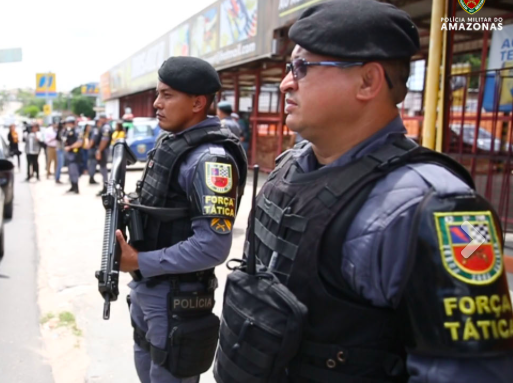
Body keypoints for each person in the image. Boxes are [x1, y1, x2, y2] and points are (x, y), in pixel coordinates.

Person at [214, 1, 513, 382]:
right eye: (290, 68)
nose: (287, 82)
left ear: (368, 82)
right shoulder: (295, 165)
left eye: (303, 67)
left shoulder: (433, 205)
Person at [113, 56, 247, 383]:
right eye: (158, 94)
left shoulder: (210, 160)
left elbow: (212, 247)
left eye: (167, 95)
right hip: (152, 291)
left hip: (177, 298)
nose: (157, 103)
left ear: (198, 102)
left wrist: (139, 260)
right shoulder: (172, 143)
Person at [93, 113, 112, 196]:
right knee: (102, 169)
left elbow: (104, 140)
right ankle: (104, 188)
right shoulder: (103, 127)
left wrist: (99, 151)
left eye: (100, 118)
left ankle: (105, 188)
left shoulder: (106, 127)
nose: (99, 120)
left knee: (103, 169)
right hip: (102, 150)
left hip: (103, 150)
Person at [63, 116, 83, 194]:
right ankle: (72, 186)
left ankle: (76, 188)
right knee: (70, 171)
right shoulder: (68, 131)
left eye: (69, 123)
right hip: (69, 154)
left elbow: (79, 143)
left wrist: (70, 147)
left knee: (74, 171)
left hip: (75, 154)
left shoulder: (78, 131)